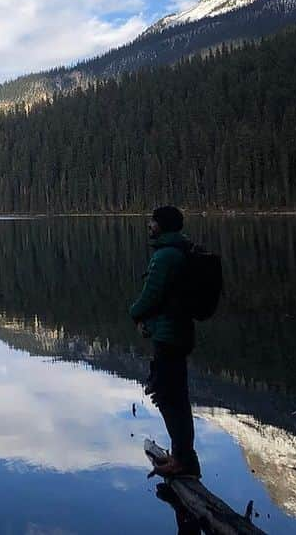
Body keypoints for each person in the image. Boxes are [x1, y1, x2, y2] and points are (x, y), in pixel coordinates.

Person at [130, 205, 201, 478]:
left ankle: (182, 460)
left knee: (169, 397)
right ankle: (183, 456)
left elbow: (151, 295)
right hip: (179, 333)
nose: (149, 225)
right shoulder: (181, 250)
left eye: (153, 221)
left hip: (169, 336)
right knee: (176, 397)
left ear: (162, 225)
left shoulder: (166, 256)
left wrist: (133, 313)